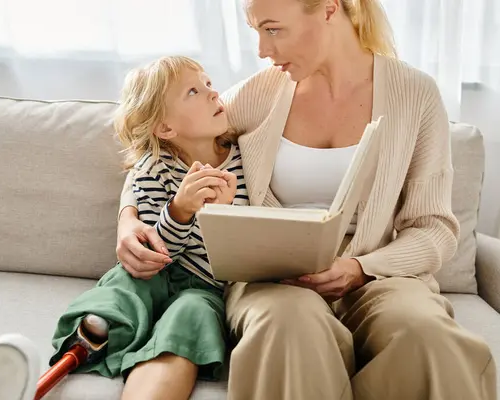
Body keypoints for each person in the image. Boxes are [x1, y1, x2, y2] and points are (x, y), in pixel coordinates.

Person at [116, 0, 497, 399]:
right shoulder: (261, 93)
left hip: (379, 272)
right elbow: (162, 144)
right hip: (272, 276)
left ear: (330, 9)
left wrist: (360, 267)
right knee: (288, 325)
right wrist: (129, 217)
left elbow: (434, 228)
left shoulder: (415, 94)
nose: (262, 50)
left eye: (273, 29)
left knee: (427, 336)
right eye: (257, 32)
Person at [0, 55, 248, 400]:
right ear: (165, 128)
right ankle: (86, 342)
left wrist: (221, 213)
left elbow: (233, 258)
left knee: (193, 312)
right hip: (155, 273)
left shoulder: (242, 161)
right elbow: (154, 251)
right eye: (194, 92)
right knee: (123, 289)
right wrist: (179, 212)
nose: (214, 94)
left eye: (209, 84)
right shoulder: (154, 169)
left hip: (204, 285)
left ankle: (152, 359)